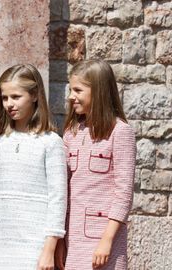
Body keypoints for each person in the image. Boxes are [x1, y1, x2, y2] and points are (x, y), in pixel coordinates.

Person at [0, 64, 67, 270]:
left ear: (35, 95)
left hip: (35, 245)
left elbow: (58, 199)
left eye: (16, 97)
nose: (9, 104)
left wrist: (48, 250)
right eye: (4, 97)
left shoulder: (51, 142)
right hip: (1, 245)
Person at [58, 59, 136, 269]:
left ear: (99, 91)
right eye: (70, 89)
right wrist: (59, 241)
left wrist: (106, 241)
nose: (71, 96)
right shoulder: (71, 134)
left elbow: (124, 194)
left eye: (78, 90)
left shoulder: (120, 132)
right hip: (72, 240)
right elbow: (63, 192)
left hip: (103, 241)